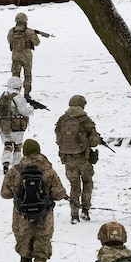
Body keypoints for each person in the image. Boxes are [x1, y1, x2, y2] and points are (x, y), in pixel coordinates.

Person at [0, 139, 68, 262]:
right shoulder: (48, 170)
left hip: (21, 221)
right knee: (41, 255)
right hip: (44, 221)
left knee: (25, 255)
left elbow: (5, 193)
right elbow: (59, 194)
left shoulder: (16, 171)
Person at [54, 95, 103, 223]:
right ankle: (85, 210)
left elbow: (58, 138)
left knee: (74, 186)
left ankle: (74, 215)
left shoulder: (62, 120)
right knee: (87, 183)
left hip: (68, 159)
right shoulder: (85, 120)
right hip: (84, 159)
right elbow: (93, 141)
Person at [0, 76, 35, 174]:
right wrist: (32, 109)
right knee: (17, 146)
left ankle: (6, 162)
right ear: (19, 87)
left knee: (7, 145)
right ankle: (17, 166)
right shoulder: (19, 98)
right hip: (17, 126)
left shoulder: (4, 96)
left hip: (3, 126)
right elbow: (24, 112)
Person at [6, 12, 40, 97]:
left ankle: (14, 92)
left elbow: (9, 40)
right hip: (26, 57)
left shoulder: (11, 31)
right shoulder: (29, 31)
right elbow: (37, 43)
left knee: (15, 76)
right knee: (27, 75)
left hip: (15, 57)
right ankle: (26, 93)